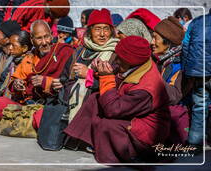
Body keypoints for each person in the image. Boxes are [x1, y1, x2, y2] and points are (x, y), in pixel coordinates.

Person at [64, 36, 171, 163]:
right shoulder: (135, 65)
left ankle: (131, 154)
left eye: (120, 58)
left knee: (108, 125)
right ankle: (84, 140)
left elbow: (113, 110)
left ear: (130, 61)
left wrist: (106, 77)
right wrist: (99, 71)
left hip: (146, 134)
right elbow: (117, 78)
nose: (116, 61)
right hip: (131, 114)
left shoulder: (146, 88)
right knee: (95, 99)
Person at [0, 20, 74, 130]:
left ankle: (15, 124)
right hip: (28, 106)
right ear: (32, 40)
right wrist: (16, 84)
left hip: (50, 107)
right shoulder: (29, 58)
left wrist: (46, 82)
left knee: (41, 116)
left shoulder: (63, 52)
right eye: (39, 38)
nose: (44, 42)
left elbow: (71, 83)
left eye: (46, 37)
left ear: (52, 35)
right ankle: (27, 126)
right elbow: (13, 82)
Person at [53, 8, 119, 122]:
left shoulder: (116, 54)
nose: (102, 34)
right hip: (71, 106)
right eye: (97, 29)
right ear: (90, 31)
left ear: (111, 31)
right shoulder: (79, 51)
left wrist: (88, 75)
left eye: (106, 29)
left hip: (97, 110)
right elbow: (65, 76)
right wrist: (61, 82)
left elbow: (116, 84)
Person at [152, 16, 189, 144]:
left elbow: (174, 96)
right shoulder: (161, 60)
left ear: (168, 42)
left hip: (174, 111)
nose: (152, 42)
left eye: (155, 38)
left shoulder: (181, 64)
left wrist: (152, 76)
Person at [182, 9, 211, 147]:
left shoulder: (197, 21)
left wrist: (187, 69)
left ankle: (194, 144)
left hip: (199, 72)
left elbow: (186, 45)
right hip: (200, 71)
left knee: (199, 106)